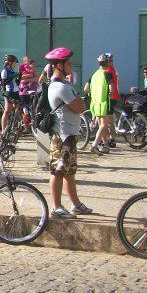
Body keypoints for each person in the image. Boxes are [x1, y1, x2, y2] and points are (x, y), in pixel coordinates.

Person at [44, 47, 93, 218]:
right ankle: (56, 207)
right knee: (58, 171)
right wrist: (77, 98)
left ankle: (76, 204)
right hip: (62, 136)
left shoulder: (64, 85)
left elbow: (78, 106)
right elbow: (80, 108)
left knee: (69, 171)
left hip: (69, 135)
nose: (71, 66)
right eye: (69, 63)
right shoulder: (61, 87)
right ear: (60, 65)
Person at [85, 54, 113, 155]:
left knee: (101, 125)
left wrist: (93, 93)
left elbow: (86, 88)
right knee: (104, 125)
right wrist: (111, 94)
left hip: (94, 102)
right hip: (103, 102)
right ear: (107, 63)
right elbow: (111, 89)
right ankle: (94, 145)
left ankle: (105, 146)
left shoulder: (94, 73)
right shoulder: (107, 74)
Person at [0, 54, 20, 133]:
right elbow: (4, 83)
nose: (15, 65)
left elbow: (16, 83)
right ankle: (3, 130)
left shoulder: (12, 71)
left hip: (16, 92)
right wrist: (12, 76)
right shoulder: (4, 71)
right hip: (9, 93)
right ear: (9, 63)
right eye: (14, 63)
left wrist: (18, 78)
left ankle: (15, 128)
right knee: (7, 111)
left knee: (17, 111)